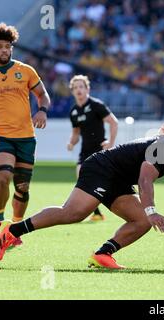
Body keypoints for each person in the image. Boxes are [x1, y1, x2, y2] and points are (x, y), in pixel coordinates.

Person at [0, 131, 164, 268]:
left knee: (141, 221)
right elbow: (144, 180)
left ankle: (103, 254)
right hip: (101, 168)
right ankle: (13, 230)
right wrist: (152, 210)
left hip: (118, 178)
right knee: (74, 213)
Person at [0, 23, 51, 245]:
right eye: (0, 46)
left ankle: (14, 229)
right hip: (1, 136)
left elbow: (42, 94)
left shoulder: (26, 70)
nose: (5, 50)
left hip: (26, 137)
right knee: (3, 176)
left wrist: (43, 111)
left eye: (8, 46)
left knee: (23, 187)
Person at [67, 75, 119, 221]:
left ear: (87, 89)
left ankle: (115, 205)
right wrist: (71, 142)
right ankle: (96, 212)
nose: (78, 90)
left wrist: (111, 143)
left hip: (99, 149)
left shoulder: (96, 105)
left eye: (81, 87)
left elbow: (113, 122)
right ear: (72, 91)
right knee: (81, 176)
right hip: (85, 150)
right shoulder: (74, 112)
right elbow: (76, 133)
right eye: (75, 88)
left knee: (105, 181)